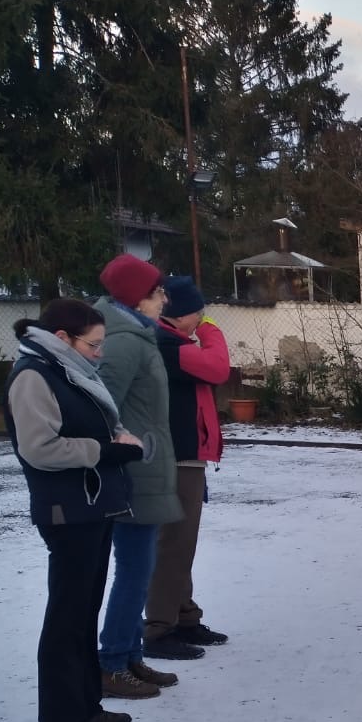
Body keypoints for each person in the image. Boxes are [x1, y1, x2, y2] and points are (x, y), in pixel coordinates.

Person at [3, 299, 146, 722]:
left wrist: (115, 443)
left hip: (91, 508)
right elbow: (39, 448)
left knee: (83, 614)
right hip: (67, 513)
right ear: (62, 338)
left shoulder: (67, 371)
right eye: (93, 344)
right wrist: (105, 450)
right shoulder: (34, 376)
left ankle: (85, 710)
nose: (99, 354)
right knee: (66, 622)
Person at [91, 254, 188, 701]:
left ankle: (129, 656)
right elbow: (102, 405)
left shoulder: (135, 335)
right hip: (134, 471)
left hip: (144, 467)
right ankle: (112, 662)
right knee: (134, 570)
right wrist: (132, 446)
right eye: (157, 292)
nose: (164, 299)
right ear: (136, 298)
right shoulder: (125, 342)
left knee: (139, 567)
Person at [145, 275, 231, 653]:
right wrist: (211, 330)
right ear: (179, 314)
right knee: (173, 543)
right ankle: (159, 628)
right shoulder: (167, 345)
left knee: (182, 543)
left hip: (185, 455)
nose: (201, 318)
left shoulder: (172, 342)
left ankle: (184, 618)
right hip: (176, 457)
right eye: (198, 312)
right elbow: (217, 368)